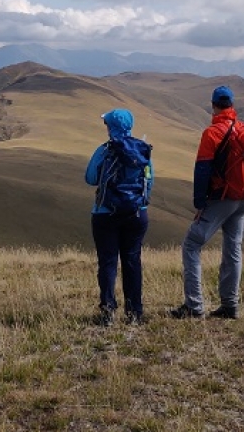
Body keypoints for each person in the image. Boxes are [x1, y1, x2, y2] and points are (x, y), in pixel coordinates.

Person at [171, 86, 244, 320]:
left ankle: (194, 306)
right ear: (232, 105)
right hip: (243, 198)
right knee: (233, 249)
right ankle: (230, 305)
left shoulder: (213, 133)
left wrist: (200, 202)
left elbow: (203, 169)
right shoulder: (243, 129)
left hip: (222, 198)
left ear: (213, 105)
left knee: (192, 244)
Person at [85, 108, 153, 326]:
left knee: (108, 261)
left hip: (106, 214)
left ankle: (108, 311)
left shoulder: (104, 150)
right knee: (132, 260)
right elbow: (149, 181)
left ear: (111, 127)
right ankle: (135, 313)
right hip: (136, 214)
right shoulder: (142, 150)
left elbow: (90, 178)